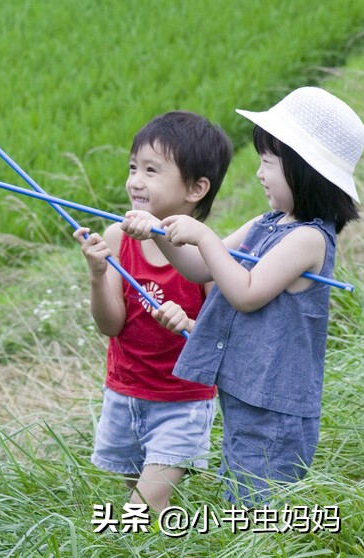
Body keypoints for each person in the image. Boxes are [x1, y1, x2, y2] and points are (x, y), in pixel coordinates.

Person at [124, 87, 364, 506]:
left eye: (268, 163)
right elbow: (201, 268)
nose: (259, 174)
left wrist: (201, 234)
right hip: (247, 389)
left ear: (303, 170)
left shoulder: (308, 240)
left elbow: (245, 293)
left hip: (276, 405)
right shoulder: (266, 223)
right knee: (242, 488)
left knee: (260, 502)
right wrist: (160, 231)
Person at [74, 111, 233, 511]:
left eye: (151, 170)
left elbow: (221, 337)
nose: (135, 181)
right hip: (125, 392)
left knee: (146, 504)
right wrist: (97, 273)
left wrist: (191, 322)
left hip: (182, 401)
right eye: (133, 167)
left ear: (196, 188)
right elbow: (111, 325)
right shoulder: (117, 238)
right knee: (136, 492)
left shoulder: (207, 253)